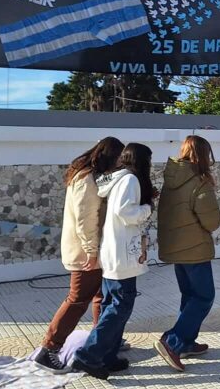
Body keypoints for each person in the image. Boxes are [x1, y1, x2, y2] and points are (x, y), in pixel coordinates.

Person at [34, 137, 124, 374]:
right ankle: (48, 349)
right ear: (108, 156)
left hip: (93, 250)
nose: (119, 164)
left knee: (98, 295)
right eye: (117, 159)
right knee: (77, 299)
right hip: (86, 252)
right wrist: (91, 252)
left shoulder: (89, 175)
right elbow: (86, 221)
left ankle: (101, 341)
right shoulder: (86, 179)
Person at [71, 143, 155, 380]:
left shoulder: (115, 180)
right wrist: (147, 208)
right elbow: (126, 213)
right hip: (122, 255)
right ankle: (88, 355)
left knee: (111, 305)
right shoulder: (130, 180)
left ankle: (107, 355)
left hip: (113, 252)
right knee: (119, 306)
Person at [154, 135, 220, 372]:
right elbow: (212, 221)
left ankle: (187, 342)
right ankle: (172, 341)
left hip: (175, 247)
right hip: (194, 249)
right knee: (204, 297)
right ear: (203, 155)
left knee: (189, 295)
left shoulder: (171, 179)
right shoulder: (199, 182)